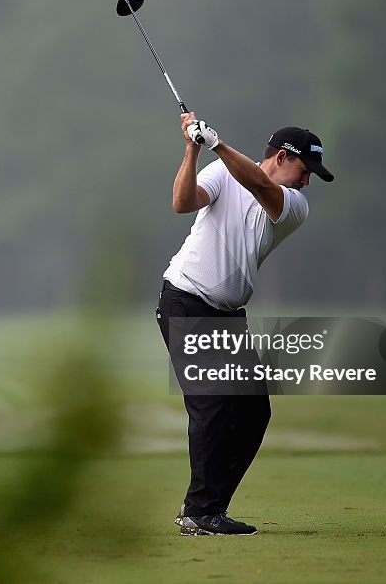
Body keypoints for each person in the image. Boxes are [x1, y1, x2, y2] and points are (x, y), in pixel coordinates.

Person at [156, 112, 334, 536]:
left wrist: (216, 143)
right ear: (282, 157)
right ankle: (202, 513)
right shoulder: (222, 170)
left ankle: (206, 506)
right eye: (305, 170)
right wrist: (193, 150)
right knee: (212, 404)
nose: (308, 181)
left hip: (226, 314)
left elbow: (257, 184)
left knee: (253, 411)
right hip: (186, 301)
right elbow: (183, 203)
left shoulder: (293, 205)